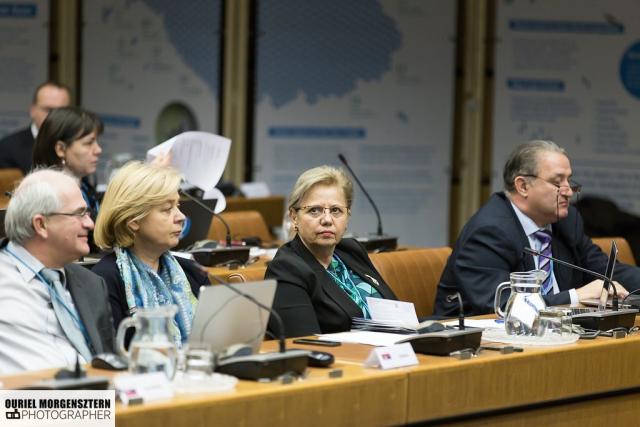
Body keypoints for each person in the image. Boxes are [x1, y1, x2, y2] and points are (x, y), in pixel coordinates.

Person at [434, 140, 640, 317]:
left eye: (569, 180)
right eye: (557, 182)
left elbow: (606, 272)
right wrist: (575, 296)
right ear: (523, 186)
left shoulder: (567, 221)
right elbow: (502, 305)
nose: (568, 191)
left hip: (556, 334)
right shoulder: (489, 231)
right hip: (476, 345)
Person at [0, 169, 114, 374]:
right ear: (41, 224)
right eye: (79, 213)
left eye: (87, 213)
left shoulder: (91, 283)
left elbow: (109, 362)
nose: (90, 223)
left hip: (99, 400)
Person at [265, 166, 397, 337]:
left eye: (336, 210)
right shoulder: (286, 269)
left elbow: (396, 312)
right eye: (314, 210)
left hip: (395, 353)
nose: (327, 220)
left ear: (347, 216)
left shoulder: (351, 250)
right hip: (348, 360)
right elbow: (306, 344)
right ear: (294, 217)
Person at [92, 161, 208, 347]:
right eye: (167, 209)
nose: (180, 217)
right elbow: (110, 354)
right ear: (133, 221)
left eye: (177, 206)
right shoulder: (103, 279)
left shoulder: (192, 272)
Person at [32, 106, 103, 215]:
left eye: (96, 142)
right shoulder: (47, 198)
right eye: (89, 143)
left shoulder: (85, 187)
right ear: (61, 149)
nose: (98, 150)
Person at [0, 81, 71, 175]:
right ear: (33, 110)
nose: (54, 116)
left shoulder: (74, 145)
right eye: (48, 110)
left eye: (61, 111)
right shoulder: (8, 148)